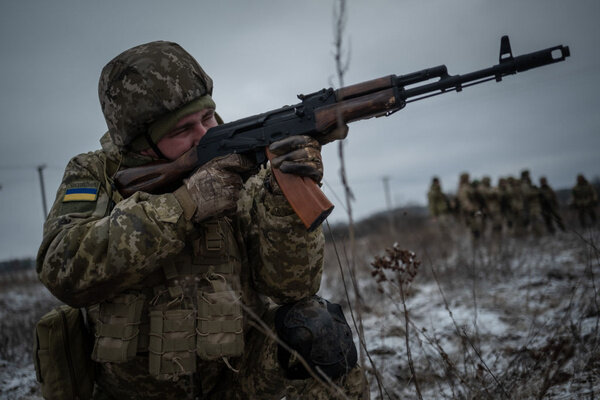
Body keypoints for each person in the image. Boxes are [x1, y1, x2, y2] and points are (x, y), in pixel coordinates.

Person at [36, 41, 364, 400]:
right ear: (140, 143)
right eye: (182, 130)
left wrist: (283, 198)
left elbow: (292, 288)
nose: (205, 134)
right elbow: (63, 267)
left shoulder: (238, 166)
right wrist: (183, 207)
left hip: (238, 378)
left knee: (320, 332)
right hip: (132, 390)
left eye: (208, 117)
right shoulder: (95, 172)